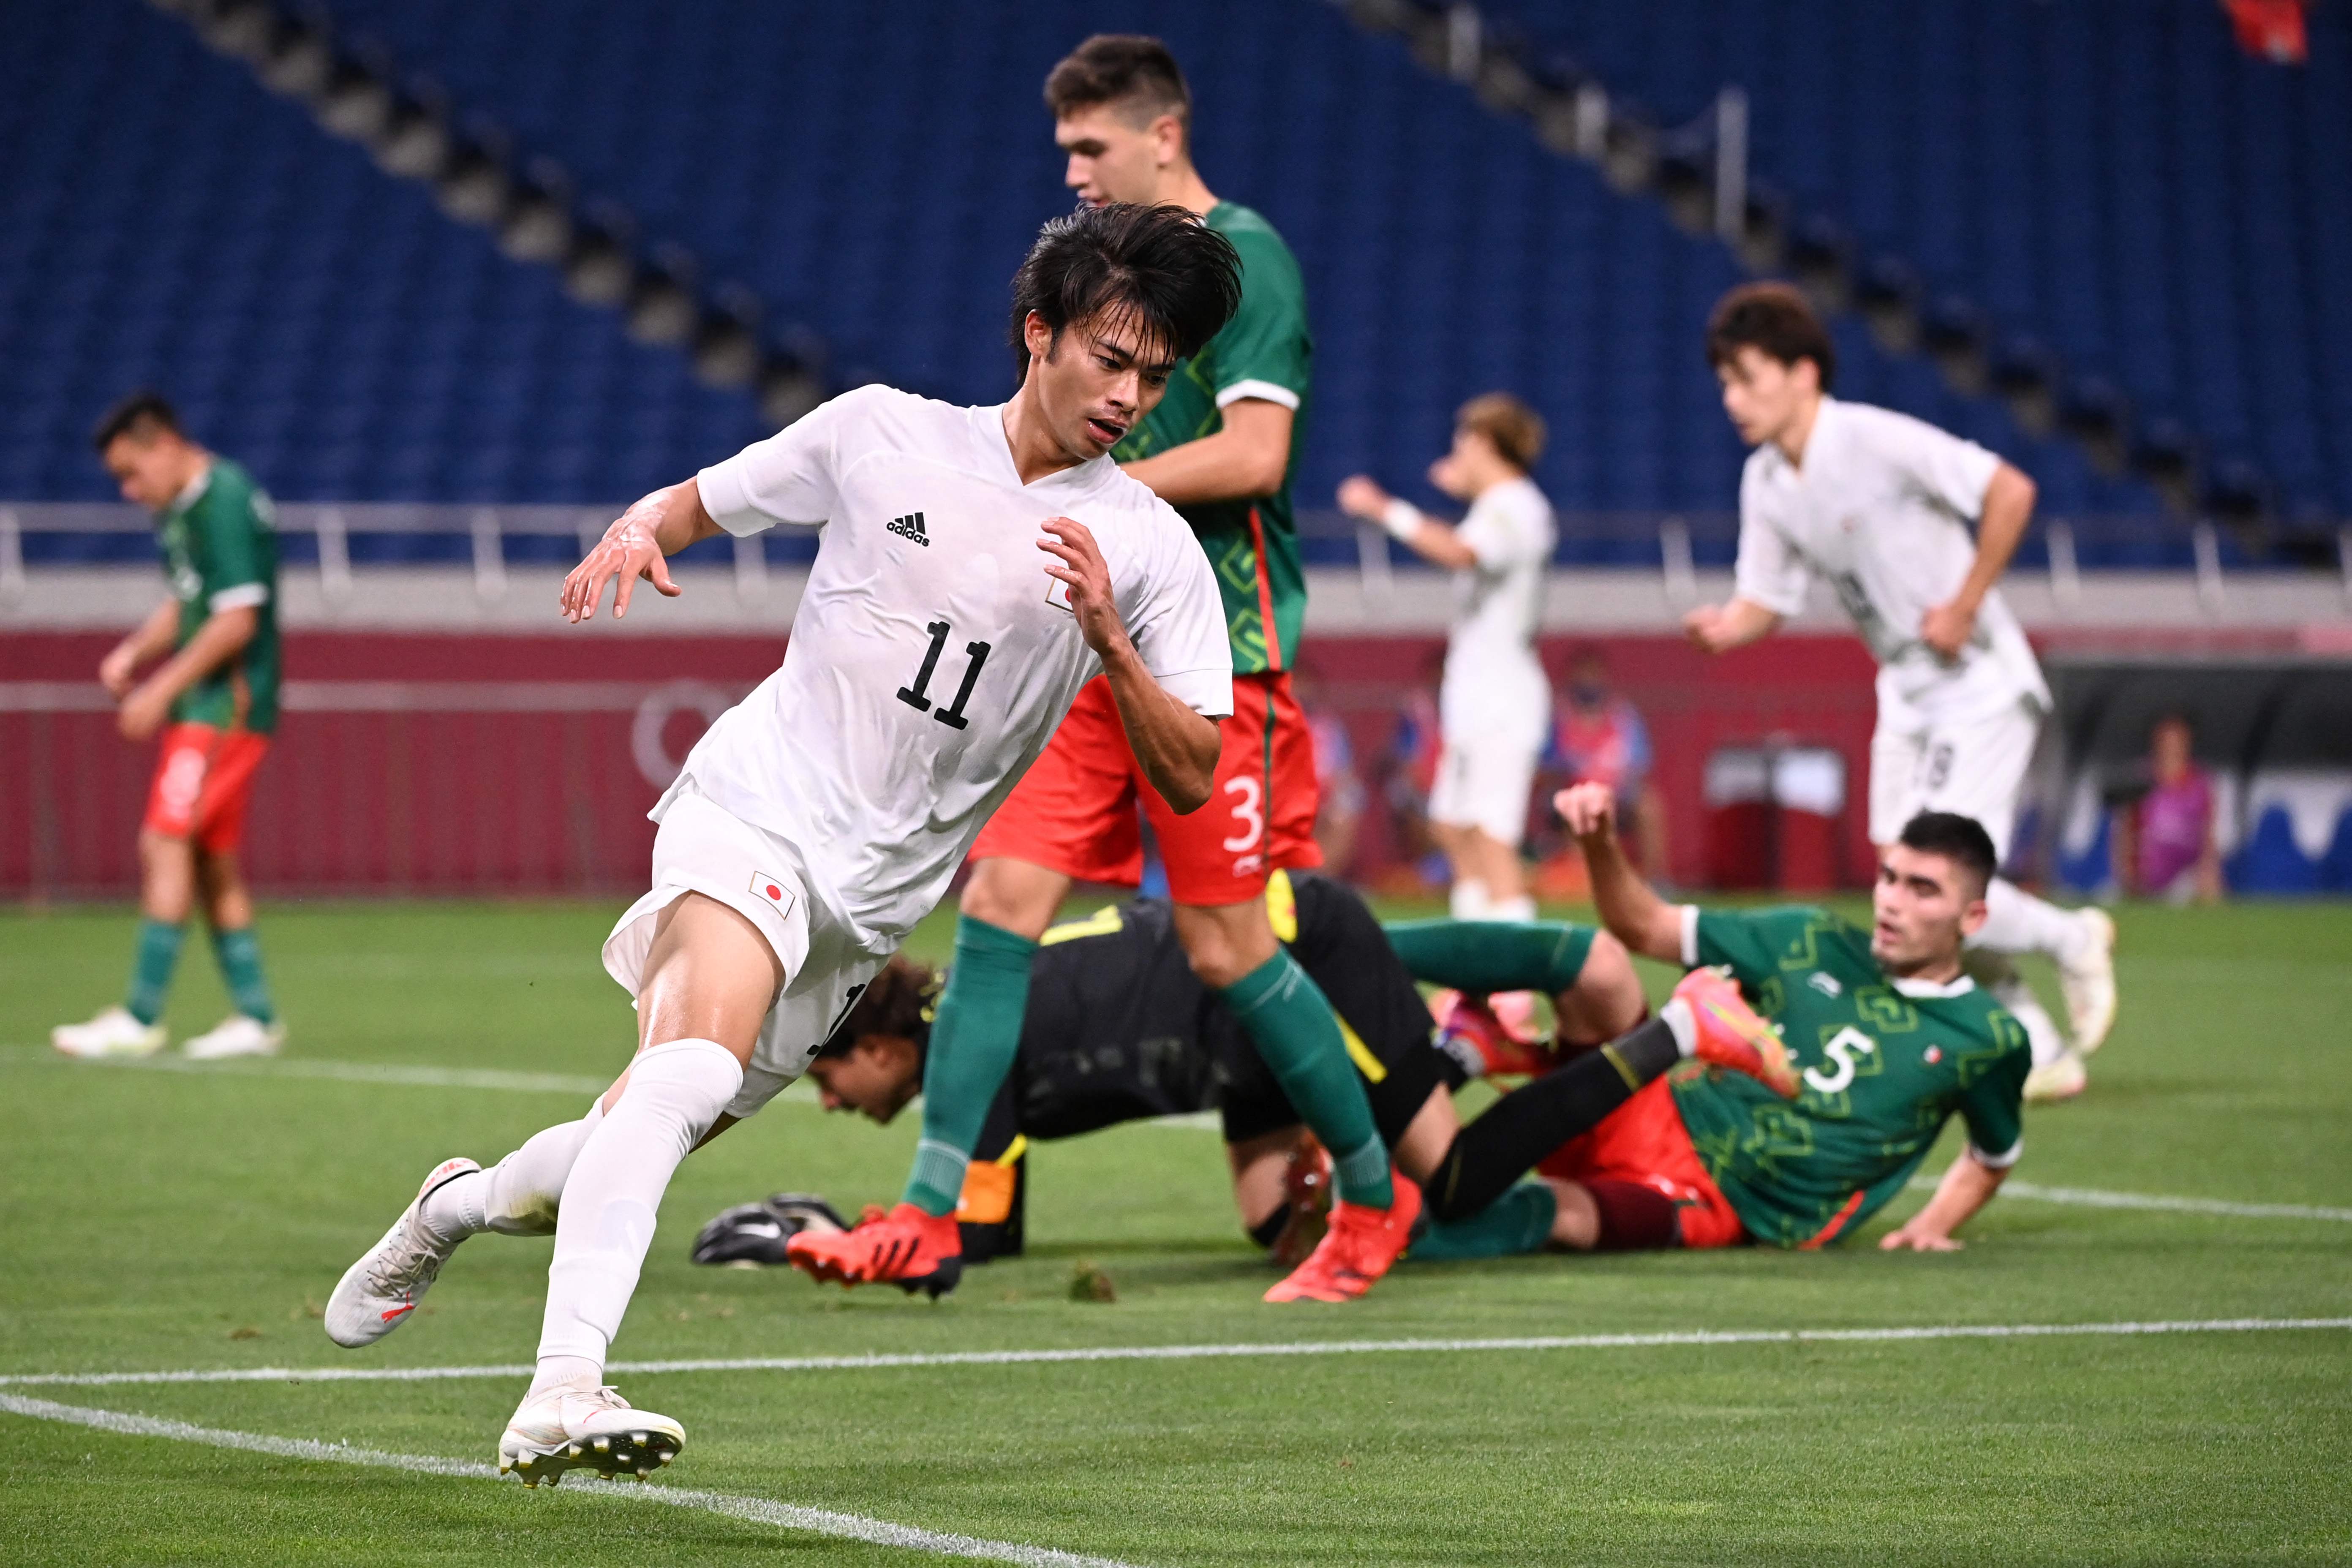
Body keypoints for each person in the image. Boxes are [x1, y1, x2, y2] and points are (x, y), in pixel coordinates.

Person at [321, 203, 1242, 1486]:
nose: (1129, 394)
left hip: (866, 913)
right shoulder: (881, 432)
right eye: (1109, 355)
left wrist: (1109, 640)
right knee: (683, 1076)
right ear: (1040, 334)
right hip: (756, 808)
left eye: (1155, 374)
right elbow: (701, 501)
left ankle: (455, 1205)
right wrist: (640, 529)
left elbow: (1194, 772)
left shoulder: (1144, 547)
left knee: (624, 1135)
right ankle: (560, 1390)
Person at [803, 35, 1424, 1307]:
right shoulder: (1109, 295)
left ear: (1162, 134)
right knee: (995, 908)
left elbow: (1255, 454)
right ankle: (929, 1211)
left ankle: (1372, 1194)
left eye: (1091, 148)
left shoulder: (1246, 264)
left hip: (1222, 661)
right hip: (1085, 656)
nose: (1076, 171)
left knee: (1226, 948)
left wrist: (1104, 500)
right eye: (1068, 152)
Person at [694, 870, 1796, 1268]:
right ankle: (1459, 1048)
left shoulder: (971, 1059)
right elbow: (990, 1224)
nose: (833, 1102)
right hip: (1241, 1043)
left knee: (1453, 1180)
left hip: (1289, 971)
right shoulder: (968, 1038)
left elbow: (977, 1241)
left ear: (881, 1049)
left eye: (830, 1080)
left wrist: (820, 1234)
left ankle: (1685, 1032)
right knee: (1283, 1223)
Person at [1684, 282, 2116, 1104]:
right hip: (1908, 692)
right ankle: (2040, 1044)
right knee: (1906, 875)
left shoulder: (1873, 440)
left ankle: (2073, 937)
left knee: (1943, 881)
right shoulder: (1766, 481)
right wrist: (1724, 628)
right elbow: (1765, 601)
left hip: (1978, 684)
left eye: (1746, 377)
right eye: (1725, 382)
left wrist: (1963, 603)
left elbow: (2011, 490)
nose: (1733, 399)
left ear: (1802, 372)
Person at [1443, 783, 2031, 1260]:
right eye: (1889, 878)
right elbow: (1645, 926)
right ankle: (1455, 1032)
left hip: (1726, 1201)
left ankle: (1413, 1206)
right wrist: (1599, 846)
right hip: (1647, 1105)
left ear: (1972, 916)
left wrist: (1931, 1224)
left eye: (1923, 890)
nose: (1893, 902)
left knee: (1563, 1215)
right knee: (1599, 966)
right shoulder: (1808, 938)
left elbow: (1992, 1154)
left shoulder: (1987, 1039)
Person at [52, 393, 286, 1062]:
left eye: (132, 473)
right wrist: (134, 652)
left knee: (164, 838)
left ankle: (140, 1015)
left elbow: (237, 620)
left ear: (162, 444)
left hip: (225, 708)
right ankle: (256, 1016)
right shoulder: (182, 510)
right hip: (208, 707)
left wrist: (160, 689)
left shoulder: (225, 500)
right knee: (209, 858)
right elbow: (190, 602)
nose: (130, 491)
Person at [1338, 394, 1557, 921]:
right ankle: (1479, 965)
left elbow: (1459, 551)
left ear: (1484, 443)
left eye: (1464, 440)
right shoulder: (1499, 507)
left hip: (1504, 698)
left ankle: (1515, 984)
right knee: (1453, 826)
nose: (1456, 451)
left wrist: (1383, 508)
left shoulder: (1516, 507)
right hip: (1479, 695)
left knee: (1492, 833)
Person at [1549, 645, 1670, 881]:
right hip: (1573, 797)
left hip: (1618, 795)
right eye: (1583, 675)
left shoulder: (1623, 717)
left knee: (1649, 804)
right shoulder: (1559, 719)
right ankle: (1587, 880)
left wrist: (1616, 790)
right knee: (1581, 810)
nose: (1588, 681)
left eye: (1593, 675)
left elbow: (1639, 766)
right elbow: (1547, 769)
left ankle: (1657, 880)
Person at [2110, 713, 2221, 905]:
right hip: (2144, 879)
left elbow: (2207, 836)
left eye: (2178, 740)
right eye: (2167, 740)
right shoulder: (2141, 779)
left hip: (2183, 880)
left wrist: (2209, 874)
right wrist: (2127, 875)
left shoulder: (2200, 784)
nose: (2172, 746)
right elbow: (2125, 832)